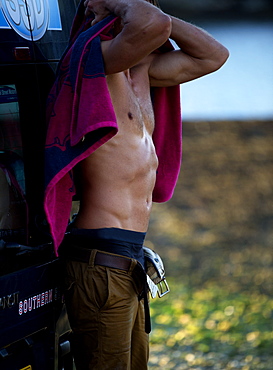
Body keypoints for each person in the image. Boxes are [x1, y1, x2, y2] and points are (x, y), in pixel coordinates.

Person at [45, 0, 229, 368]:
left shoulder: (141, 70)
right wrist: (111, 4)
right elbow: (151, 22)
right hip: (100, 261)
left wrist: (152, 17)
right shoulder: (93, 60)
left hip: (129, 261)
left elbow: (214, 54)